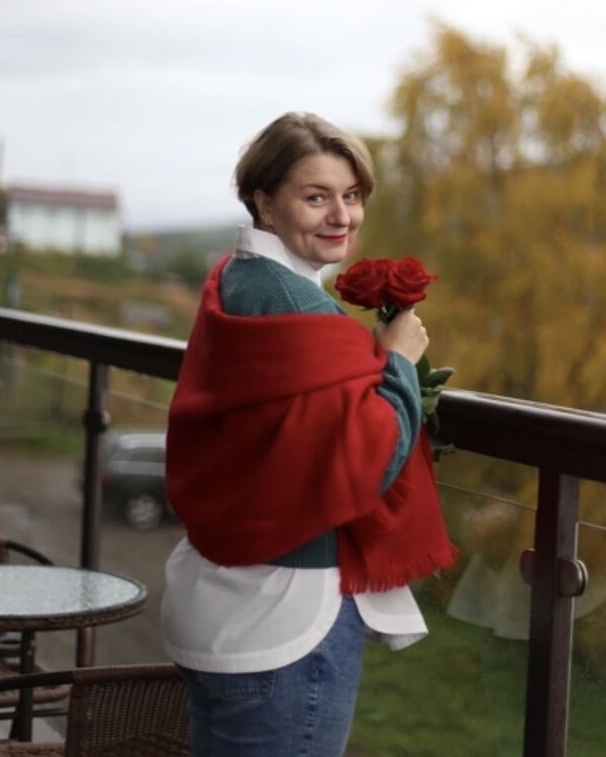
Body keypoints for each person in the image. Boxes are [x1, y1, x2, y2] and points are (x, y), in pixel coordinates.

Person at [161, 112, 456, 757]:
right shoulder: (299, 308)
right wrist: (398, 361)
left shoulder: (237, 278)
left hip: (222, 603)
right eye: (316, 197)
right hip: (282, 622)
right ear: (264, 202)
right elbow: (367, 459)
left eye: (352, 196)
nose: (342, 216)